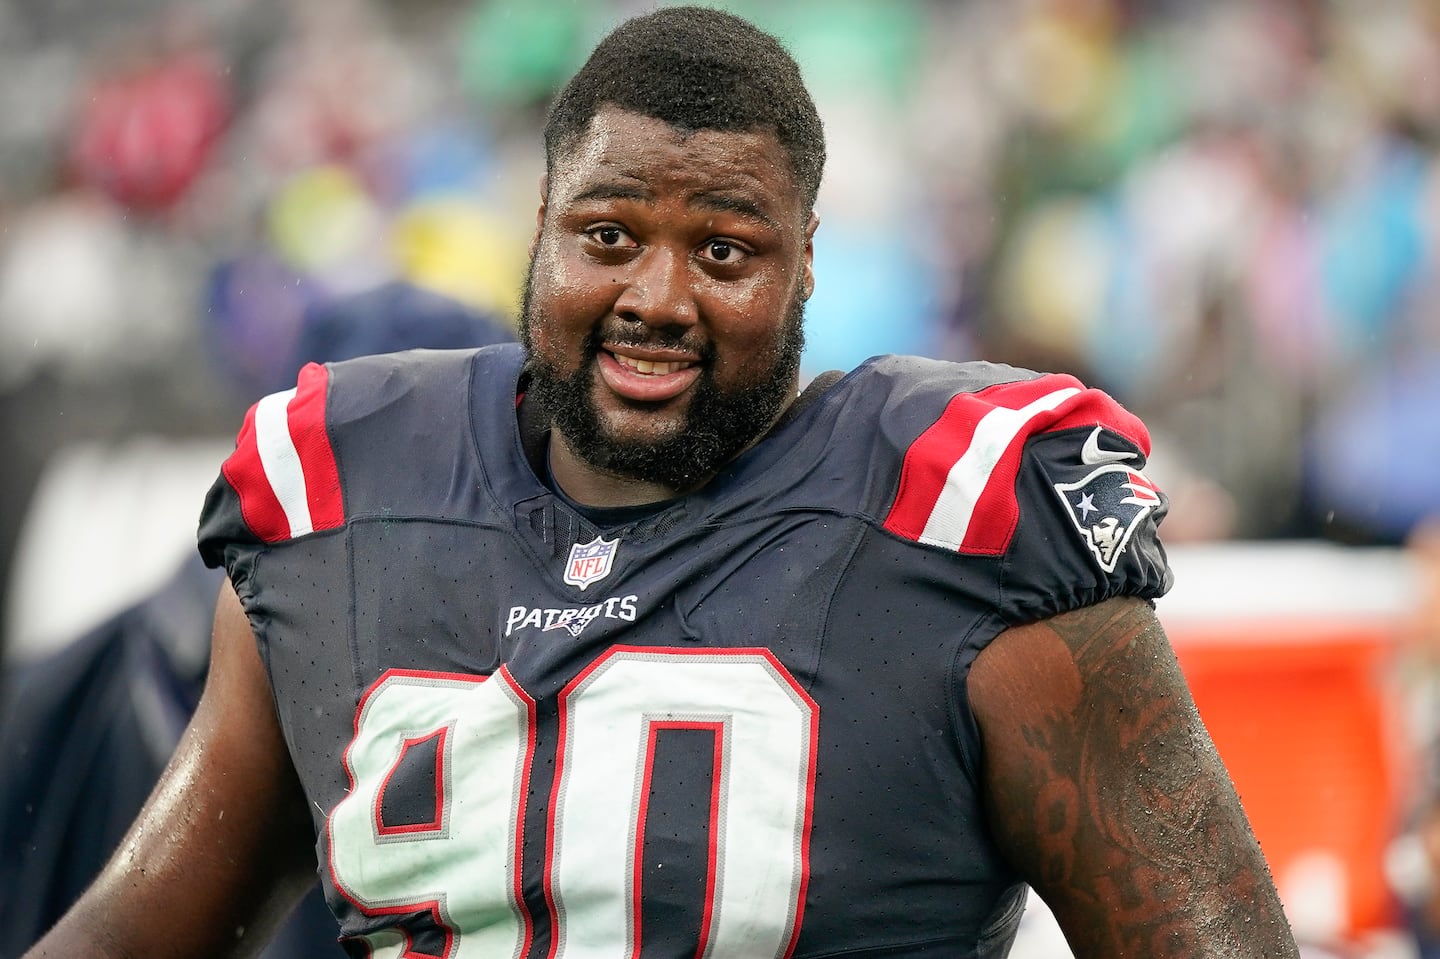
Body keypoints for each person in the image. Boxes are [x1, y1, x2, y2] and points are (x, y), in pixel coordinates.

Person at [24, 7, 1299, 958]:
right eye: (611, 235)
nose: (658, 298)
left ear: (807, 268)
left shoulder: (964, 515)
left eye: (726, 251)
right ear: (542, 227)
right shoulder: (344, 499)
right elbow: (135, 930)